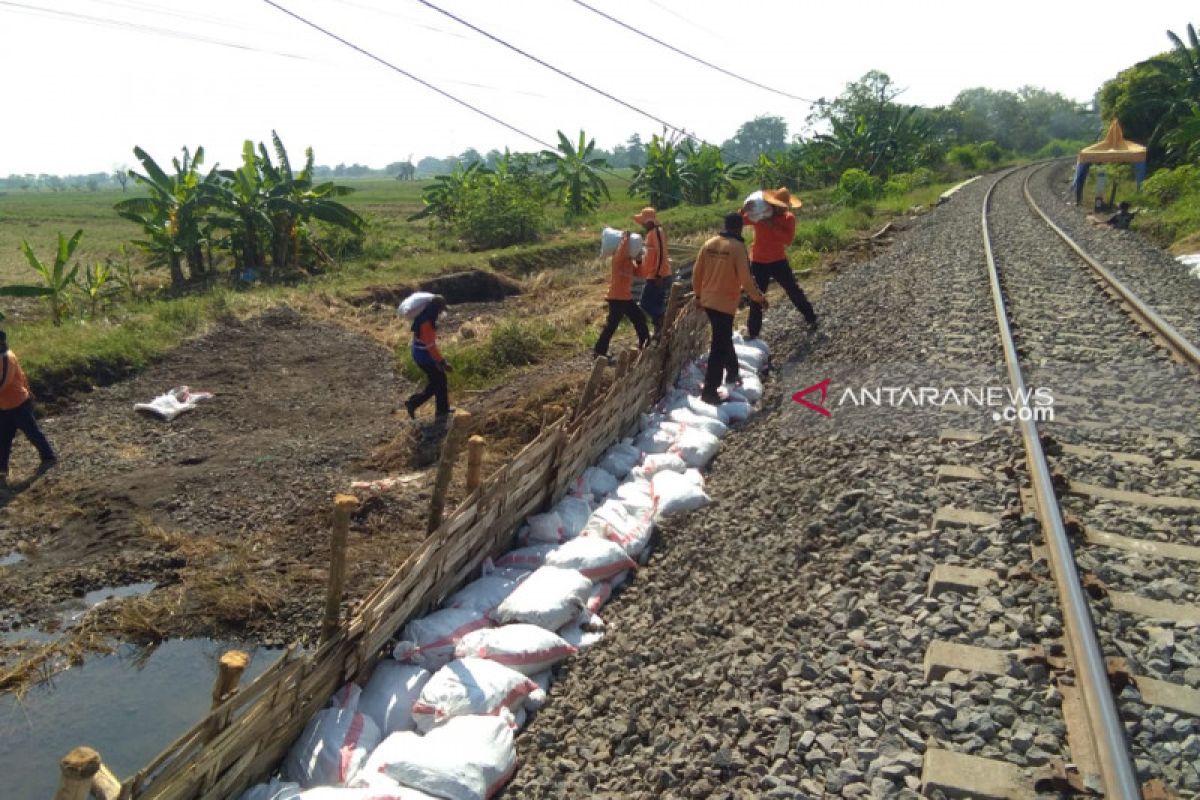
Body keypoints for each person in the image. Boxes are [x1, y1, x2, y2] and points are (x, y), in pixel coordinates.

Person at [692, 213, 768, 405]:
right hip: (725, 303)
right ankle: (710, 391)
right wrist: (758, 298)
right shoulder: (737, 247)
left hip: (709, 301)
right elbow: (746, 279)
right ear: (740, 228)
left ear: (725, 225)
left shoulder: (709, 244)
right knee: (718, 347)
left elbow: (696, 273)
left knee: (723, 336)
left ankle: (733, 371)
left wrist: (699, 296)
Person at [741, 187, 818, 338]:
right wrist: (744, 208)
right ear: (773, 204)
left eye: (785, 206)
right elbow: (741, 219)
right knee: (756, 297)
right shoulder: (760, 215)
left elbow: (788, 240)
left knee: (793, 290)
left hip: (778, 261)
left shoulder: (789, 218)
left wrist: (773, 226)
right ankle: (753, 332)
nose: (783, 209)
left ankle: (811, 317)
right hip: (758, 262)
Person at [0, 331, 56, 488]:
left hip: (18, 404)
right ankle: (2, 469)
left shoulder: (7, 358)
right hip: (4, 406)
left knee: (32, 433)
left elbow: (4, 383)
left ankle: (48, 456)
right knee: (3, 440)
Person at [594, 230, 650, 360]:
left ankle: (645, 343)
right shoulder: (618, 259)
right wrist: (626, 237)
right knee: (612, 325)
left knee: (639, 318)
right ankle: (599, 351)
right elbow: (621, 251)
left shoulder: (629, 262)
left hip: (625, 297)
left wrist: (640, 261)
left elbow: (641, 274)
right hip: (616, 298)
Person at [403, 295, 453, 419]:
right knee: (439, 381)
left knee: (438, 381)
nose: (441, 313)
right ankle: (414, 403)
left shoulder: (425, 316)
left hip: (421, 353)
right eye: (441, 310)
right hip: (423, 357)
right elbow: (431, 347)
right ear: (436, 309)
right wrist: (443, 362)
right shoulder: (427, 324)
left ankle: (441, 409)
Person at [633, 207, 671, 335]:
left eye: (644, 221)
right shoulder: (651, 233)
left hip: (658, 276)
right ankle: (660, 331)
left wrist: (658, 275)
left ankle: (662, 318)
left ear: (650, 221)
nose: (642, 224)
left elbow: (661, 255)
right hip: (653, 275)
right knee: (657, 304)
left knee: (645, 303)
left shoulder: (656, 233)